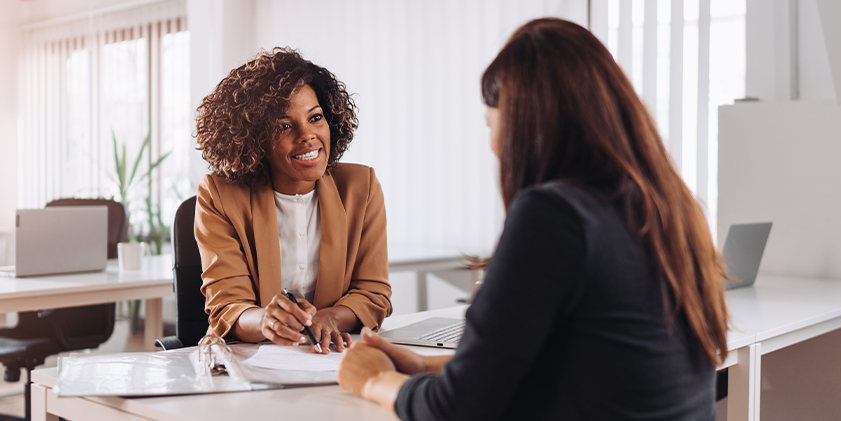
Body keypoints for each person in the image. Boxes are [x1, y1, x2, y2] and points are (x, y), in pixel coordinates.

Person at [336, 18, 729, 420]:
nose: (493, 147)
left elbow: (456, 411)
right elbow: (581, 364)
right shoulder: (675, 208)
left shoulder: (555, 215)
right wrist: (424, 365)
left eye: (491, 123)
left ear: (524, 123)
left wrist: (373, 380)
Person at [194, 47, 392, 354]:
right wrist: (265, 321)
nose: (307, 135)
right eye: (285, 126)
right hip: (248, 361)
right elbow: (228, 306)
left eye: (315, 118)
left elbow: (373, 293)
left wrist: (330, 318)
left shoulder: (360, 187)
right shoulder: (219, 195)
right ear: (255, 138)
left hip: (330, 358)